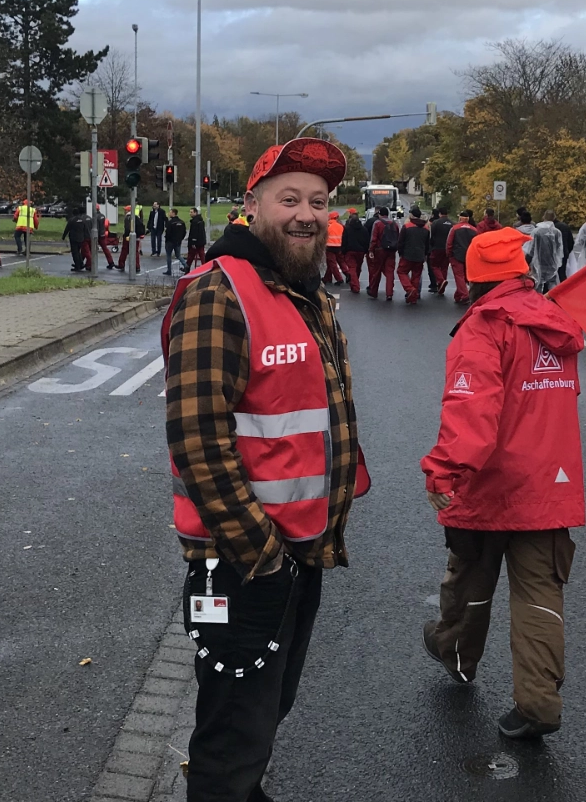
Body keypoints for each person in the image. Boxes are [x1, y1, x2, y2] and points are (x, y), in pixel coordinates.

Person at [164, 137, 368, 802]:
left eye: (318, 200)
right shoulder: (219, 293)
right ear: (251, 206)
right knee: (232, 735)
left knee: (265, 711)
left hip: (298, 554)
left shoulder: (307, 295)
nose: (307, 213)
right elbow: (197, 439)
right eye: (290, 198)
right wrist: (267, 553)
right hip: (244, 563)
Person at [421, 227, 584, 740]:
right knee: (539, 595)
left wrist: (444, 470)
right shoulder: (556, 322)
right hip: (549, 483)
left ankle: (454, 652)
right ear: (521, 271)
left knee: (470, 579)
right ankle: (538, 703)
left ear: (474, 277)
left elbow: (473, 409)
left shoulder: (484, 327)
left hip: (491, 483)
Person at [397, 207, 431, 304]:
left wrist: (400, 253)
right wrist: (425, 255)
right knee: (416, 275)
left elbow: (401, 242)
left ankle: (409, 289)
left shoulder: (407, 227)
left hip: (407, 255)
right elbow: (427, 244)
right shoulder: (426, 229)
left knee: (401, 272)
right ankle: (413, 297)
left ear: (411, 215)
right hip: (420, 256)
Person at [367, 206, 400, 300]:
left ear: (380, 214)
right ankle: (389, 293)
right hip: (391, 251)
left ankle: (374, 291)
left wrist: (371, 250)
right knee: (390, 272)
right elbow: (398, 236)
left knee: (376, 271)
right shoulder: (395, 223)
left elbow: (373, 238)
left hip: (379, 249)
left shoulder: (377, 223)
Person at [527, 210, 563, 293]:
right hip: (552, 262)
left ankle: (539, 301)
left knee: (538, 282)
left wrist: (527, 261)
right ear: (554, 218)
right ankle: (553, 299)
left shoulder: (537, 231)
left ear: (544, 217)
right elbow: (559, 249)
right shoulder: (557, 232)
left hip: (539, 262)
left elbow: (532, 249)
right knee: (552, 282)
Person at [447, 210, 479, 304]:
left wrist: (449, 254)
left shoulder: (454, 228)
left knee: (459, 276)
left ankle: (465, 295)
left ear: (460, 218)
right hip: (469, 256)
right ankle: (458, 295)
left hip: (457, 255)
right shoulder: (474, 230)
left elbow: (449, 242)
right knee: (465, 276)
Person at [340, 208, 368, 294]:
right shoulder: (364, 229)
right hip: (360, 252)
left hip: (350, 251)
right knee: (358, 268)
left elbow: (344, 240)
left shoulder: (347, 229)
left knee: (352, 268)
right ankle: (354, 281)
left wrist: (343, 251)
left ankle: (355, 286)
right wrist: (365, 250)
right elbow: (366, 240)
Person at [427, 206, 453, 296]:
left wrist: (431, 246)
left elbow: (432, 236)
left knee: (434, 265)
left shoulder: (435, 223)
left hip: (437, 247)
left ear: (439, 214)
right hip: (447, 248)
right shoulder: (452, 224)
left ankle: (441, 281)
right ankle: (442, 286)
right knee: (444, 267)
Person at [62, 204, 91, 272]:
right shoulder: (82, 220)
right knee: (79, 252)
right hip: (81, 238)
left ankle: (77, 266)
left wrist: (63, 236)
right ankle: (81, 263)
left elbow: (67, 229)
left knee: (75, 253)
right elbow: (85, 229)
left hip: (73, 238)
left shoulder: (72, 220)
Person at [117, 205, 145, 271]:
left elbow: (127, 228)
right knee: (135, 252)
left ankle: (121, 264)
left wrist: (125, 236)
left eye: (125, 210)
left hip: (128, 237)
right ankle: (137, 266)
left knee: (124, 250)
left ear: (128, 211)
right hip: (136, 237)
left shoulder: (128, 217)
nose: (124, 211)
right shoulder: (136, 217)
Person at [324, 210, 344, 284]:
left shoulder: (327, 226)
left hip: (329, 247)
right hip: (338, 246)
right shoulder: (340, 226)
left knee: (332, 263)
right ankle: (327, 278)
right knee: (332, 263)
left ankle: (339, 279)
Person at [165, 210, 187, 275]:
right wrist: (180, 239)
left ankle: (169, 270)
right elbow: (184, 232)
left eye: (170, 212)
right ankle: (185, 265)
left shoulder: (170, 222)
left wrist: (167, 239)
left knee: (169, 256)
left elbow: (168, 232)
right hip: (178, 242)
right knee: (178, 255)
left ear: (173, 213)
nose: (169, 213)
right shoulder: (181, 222)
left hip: (170, 242)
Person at [185, 207, 208, 271]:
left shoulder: (195, 222)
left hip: (196, 242)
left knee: (191, 256)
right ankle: (205, 267)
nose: (190, 214)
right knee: (201, 255)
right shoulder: (201, 220)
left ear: (195, 212)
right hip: (201, 241)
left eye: (191, 212)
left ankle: (187, 268)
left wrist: (193, 242)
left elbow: (194, 232)